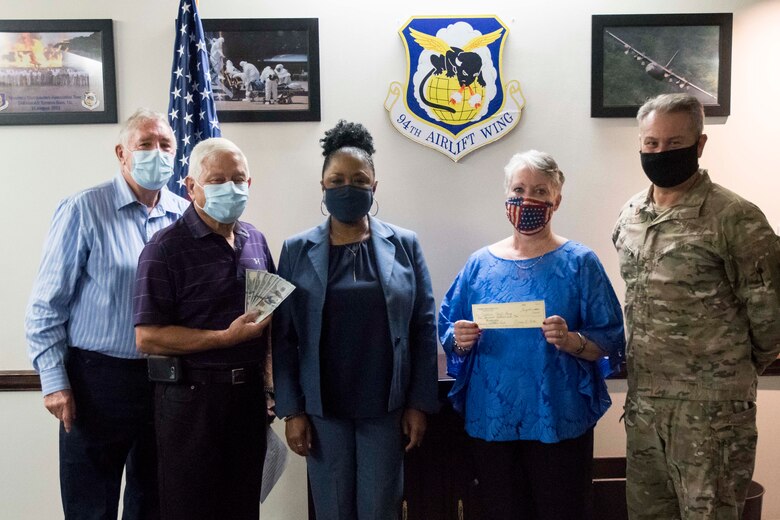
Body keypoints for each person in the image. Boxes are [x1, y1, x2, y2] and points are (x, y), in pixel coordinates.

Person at [613, 93, 780, 520]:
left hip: (712, 412)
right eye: (651, 144)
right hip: (645, 405)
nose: (660, 152)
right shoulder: (631, 215)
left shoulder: (736, 217)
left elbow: (771, 317)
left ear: (700, 145)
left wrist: (731, 371)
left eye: (673, 143)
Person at [439, 150, 625, 520]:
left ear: (557, 199)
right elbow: (448, 329)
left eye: (540, 191)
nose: (528, 199)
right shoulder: (479, 264)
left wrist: (573, 340)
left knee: (562, 510)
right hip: (492, 419)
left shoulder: (580, 263)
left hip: (556, 416)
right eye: (519, 188)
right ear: (505, 194)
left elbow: (611, 337)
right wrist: (460, 337)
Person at [25, 108, 188, 519]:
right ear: (121, 152)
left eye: (165, 144)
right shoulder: (83, 209)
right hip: (96, 382)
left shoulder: (187, 216)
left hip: (166, 380)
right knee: (90, 507)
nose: (157, 153)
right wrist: (54, 382)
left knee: (155, 503)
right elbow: (46, 307)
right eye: (145, 144)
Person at [272, 120, 439, 520]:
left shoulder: (405, 244)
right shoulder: (296, 249)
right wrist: (292, 411)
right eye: (337, 179)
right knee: (332, 510)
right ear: (323, 186)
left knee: (380, 509)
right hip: (322, 411)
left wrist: (419, 403)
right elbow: (285, 337)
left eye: (359, 179)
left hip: (386, 407)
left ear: (374, 185)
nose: (348, 187)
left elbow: (423, 325)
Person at [133, 137, 273, 520]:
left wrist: (273, 388)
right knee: (190, 509)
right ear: (191, 186)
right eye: (217, 179)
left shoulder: (256, 240)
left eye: (239, 179)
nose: (231, 187)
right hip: (190, 401)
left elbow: (269, 320)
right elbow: (147, 337)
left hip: (247, 402)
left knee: (243, 507)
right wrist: (224, 338)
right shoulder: (164, 249)